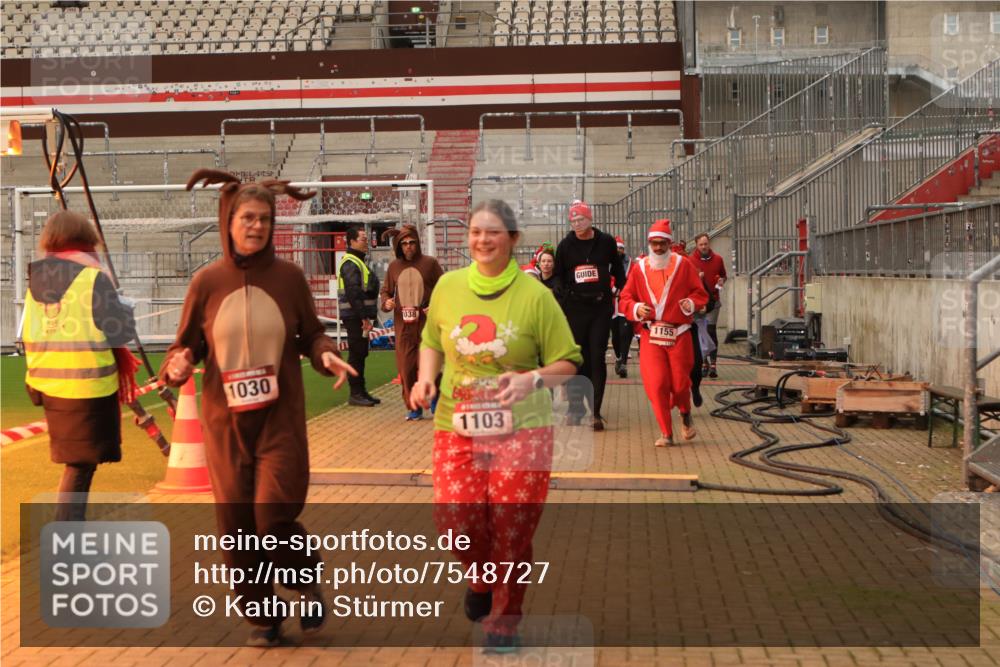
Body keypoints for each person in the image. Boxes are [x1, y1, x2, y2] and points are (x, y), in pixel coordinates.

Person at [162, 169, 356, 647]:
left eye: (265, 219)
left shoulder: (289, 278)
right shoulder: (206, 282)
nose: (256, 226)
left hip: (280, 421)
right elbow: (184, 346)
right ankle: (263, 618)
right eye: (247, 218)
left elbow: (310, 333)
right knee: (237, 528)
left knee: (271, 514)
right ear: (229, 222)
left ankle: (303, 579)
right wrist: (179, 363)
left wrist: (325, 352)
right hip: (225, 427)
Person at [410, 199, 582, 653]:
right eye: (475, 232)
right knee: (455, 522)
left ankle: (503, 623)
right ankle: (480, 581)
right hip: (456, 426)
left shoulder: (535, 296)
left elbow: (569, 361)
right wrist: (426, 379)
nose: (482, 240)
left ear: (513, 239)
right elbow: (431, 341)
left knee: (511, 527)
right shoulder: (447, 287)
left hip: (522, 431)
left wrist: (532, 379)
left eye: (493, 233)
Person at [22, 210, 137, 522]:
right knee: (81, 467)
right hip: (87, 387)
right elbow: (119, 332)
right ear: (85, 239)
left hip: (48, 385)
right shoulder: (92, 276)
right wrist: (123, 308)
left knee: (79, 464)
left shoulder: (36, 279)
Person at [620, 219, 708, 447]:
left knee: (680, 383)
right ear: (649, 243)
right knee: (657, 383)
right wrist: (637, 309)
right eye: (654, 243)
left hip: (679, 334)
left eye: (662, 243)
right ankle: (666, 432)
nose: (658, 248)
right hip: (651, 335)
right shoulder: (639, 269)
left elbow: (700, 293)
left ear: (669, 243)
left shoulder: (683, 265)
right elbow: (626, 298)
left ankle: (685, 411)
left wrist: (690, 303)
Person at [552, 200, 626, 431]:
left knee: (597, 356)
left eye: (581, 219)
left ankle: (595, 411)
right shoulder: (565, 245)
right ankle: (576, 407)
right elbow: (558, 277)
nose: (577, 224)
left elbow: (618, 269)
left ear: (590, 219)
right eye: (573, 220)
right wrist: (564, 299)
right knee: (577, 357)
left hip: (600, 307)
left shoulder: (606, 242)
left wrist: (618, 289)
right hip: (575, 309)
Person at [379, 224, 443, 421]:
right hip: (404, 328)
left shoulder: (430, 264)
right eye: (404, 243)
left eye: (412, 243)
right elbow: (386, 291)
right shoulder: (394, 267)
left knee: (432, 367)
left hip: (427, 326)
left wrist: (435, 306)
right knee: (406, 368)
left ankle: (435, 400)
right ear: (399, 246)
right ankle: (413, 406)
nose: (408, 247)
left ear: (417, 243)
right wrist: (387, 302)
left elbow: (444, 288)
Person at [338, 225, 382, 406]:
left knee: (361, 353)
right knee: (357, 353)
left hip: (358, 316)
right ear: (352, 241)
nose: (367, 242)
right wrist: (364, 317)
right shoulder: (350, 263)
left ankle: (361, 391)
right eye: (363, 239)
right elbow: (353, 292)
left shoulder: (357, 262)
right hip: (355, 317)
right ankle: (355, 393)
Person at [690, 233, 727, 378]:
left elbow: (724, 275)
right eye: (701, 244)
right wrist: (696, 278)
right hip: (698, 302)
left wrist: (722, 281)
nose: (704, 247)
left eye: (706, 244)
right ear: (696, 245)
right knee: (700, 332)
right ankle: (703, 362)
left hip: (713, 301)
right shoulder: (691, 260)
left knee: (711, 330)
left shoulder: (718, 259)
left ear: (709, 243)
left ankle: (713, 364)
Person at [610, 235, 636, 378]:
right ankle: (619, 357)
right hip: (612, 303)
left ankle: (624, 363)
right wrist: (613, 288)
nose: (619, 250)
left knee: (625, 333)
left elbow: (634, 279)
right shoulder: (607, 263)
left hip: (625, 302)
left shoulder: (631, 264)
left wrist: (626, 291)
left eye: (621, 248)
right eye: (616, 248)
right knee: (615, 336)